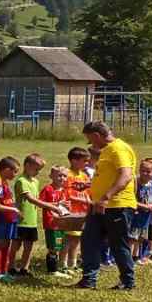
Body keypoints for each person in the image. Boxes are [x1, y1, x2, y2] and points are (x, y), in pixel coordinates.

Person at [77, 120, 137, 290]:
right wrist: (90, 186)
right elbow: (108, 176)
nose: (91, 144)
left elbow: (125, 176)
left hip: (116, 206)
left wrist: (106, 197)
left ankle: (127, 282)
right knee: (89, 241)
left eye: (91, 140)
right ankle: (89, 280)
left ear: (97, 135)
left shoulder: (118, 148)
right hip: (100, 205)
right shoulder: (107, 150)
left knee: (118, 244)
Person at [10, 154, 45, 277]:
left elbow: (37, 198)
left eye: (39, 170)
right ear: (27, 165)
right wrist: (50, 206)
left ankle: (25, 268)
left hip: (32, 220)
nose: (37, 172)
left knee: (29, 246)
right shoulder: (21, 181)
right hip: (21, 220)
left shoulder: (35, 181)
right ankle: (11, 267)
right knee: (16, 245)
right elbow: (31, 199)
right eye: (36, 169)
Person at [0, 157, 20, 281]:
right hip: (2, 220)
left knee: (6, 244)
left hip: (10, 220)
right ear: (6, 170)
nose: (15, 175)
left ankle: (4, 271)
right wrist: (13, 210)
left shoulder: (6, 183)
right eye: (14, 171)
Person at [37, 166, 70, 276]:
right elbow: (41, 203)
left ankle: (57, 267)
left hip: (62, 223)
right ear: (51, 176)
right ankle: (52, 270)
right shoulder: (48, 189)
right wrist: (57, 205)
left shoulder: (64, 190)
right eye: (59, 175)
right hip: (51, 223)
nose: (62, 178)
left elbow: (66, 205)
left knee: (59, 245)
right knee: (53, 247)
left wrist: (67, 207)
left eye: (64, 176)